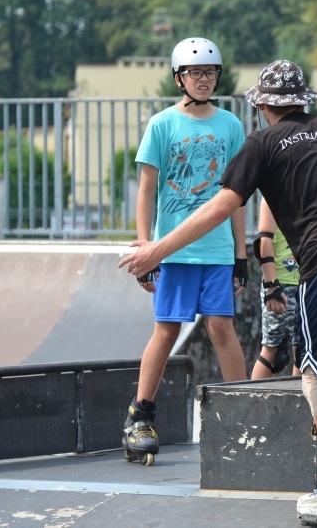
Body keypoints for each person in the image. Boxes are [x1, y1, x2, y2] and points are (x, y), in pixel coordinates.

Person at [119, 59, 317, 528]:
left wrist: (156, 250)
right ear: (303, 100)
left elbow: (221, 206)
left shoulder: (262, 142)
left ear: (263, 104)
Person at [122, 37, 249, 467]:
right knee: (167, 330)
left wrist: (241, 255)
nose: (203, 79)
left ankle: (245, 411)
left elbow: (236, 196)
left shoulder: (231, 125)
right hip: (173, 251)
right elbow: (146, 190)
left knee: (221, 328)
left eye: (210, 72)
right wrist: (146, 248)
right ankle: (140, 416)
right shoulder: (162, 125)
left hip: (216, 250)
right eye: (195, 72)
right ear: (179, 77)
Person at [251, 197, 301, 379]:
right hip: (281, 283)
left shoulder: (308, 191)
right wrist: (271, 286)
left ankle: (299, 405)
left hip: (306, 282)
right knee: (272, 351)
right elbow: (263, 241)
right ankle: (252, 404)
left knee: (303, 351)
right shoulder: (271, 196)